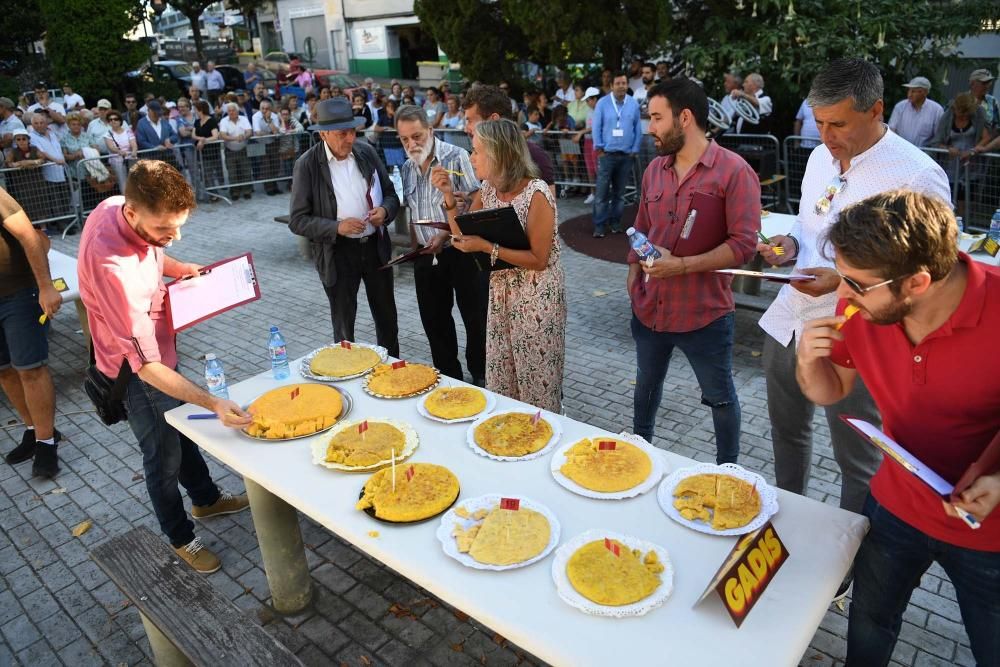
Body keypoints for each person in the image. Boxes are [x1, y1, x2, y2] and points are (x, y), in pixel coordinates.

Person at [795, 190, 1000, 666]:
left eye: (855, 284)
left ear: (918, 282)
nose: (840, 293)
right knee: (868, 621)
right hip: (895, 505)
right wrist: (807, 362)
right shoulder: (865, 308)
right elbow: (829, 390)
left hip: (988, 533)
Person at [756, 59, 952, 550]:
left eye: (838, 124)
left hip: (861, 335)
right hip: (794, 320)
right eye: (819, 122)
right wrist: (790, 243)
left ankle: (849, 552)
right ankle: (783, 528)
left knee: (857, 456)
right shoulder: (821, 157)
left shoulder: (916, 175)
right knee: (787, 433)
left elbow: (933, 275)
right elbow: (809, 222)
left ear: (876, 110)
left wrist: (842, 280)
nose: (826, 136)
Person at [77, 160, 251, 573]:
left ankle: (206, 499)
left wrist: (179, 269)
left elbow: (155, 253)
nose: (172, 239)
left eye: (178, 228)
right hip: (135, 372)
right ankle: (180, 537)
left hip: (157, 351)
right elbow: (146, 368)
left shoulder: (118, 205)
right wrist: (213, 403)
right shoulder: (114, 269)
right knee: (161, 457)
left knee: (180, 432)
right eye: (163, 231)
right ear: (134, 214)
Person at [627, 79, 759, 463]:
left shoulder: (734, 172)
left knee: (720, 399)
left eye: (656, 118)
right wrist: (633, 275)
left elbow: (744, 245)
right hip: (651, 310)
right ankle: (638, 460)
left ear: (684, 118)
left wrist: (681, 265)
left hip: (705, 315)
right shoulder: (654, 169)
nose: (650, 127)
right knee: (645, 390)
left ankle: (728, 474)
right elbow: (641, 225)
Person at [431, 119, 566, 411]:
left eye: (477, 150)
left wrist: (487, 247)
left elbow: (539, 260)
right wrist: (448, 198)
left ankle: (543, 441)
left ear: (499, 153)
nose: (471, 157)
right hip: (502, 294)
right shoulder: (488, 188)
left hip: (536, 299)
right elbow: (462, 238)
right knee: (503, 377)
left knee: (536, 383)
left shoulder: (537, 194)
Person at [288, 98, 400, 355]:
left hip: (374, 248)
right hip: (338, 254)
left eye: (352, 131)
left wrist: (384, 211)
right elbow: (297, 220)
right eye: (342, 133)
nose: (350, 138)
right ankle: (347, 376)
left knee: (387, 319)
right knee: (344, 324)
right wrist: (336, 227)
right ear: (324, 133)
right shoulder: (307, 165)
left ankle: (394, 370)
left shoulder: (366, 152)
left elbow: (392, 194)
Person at [395, 105, 484, 384]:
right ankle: (450, 380)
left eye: (417, 136)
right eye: (405, 139)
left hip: (461, 252)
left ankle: (481, 376)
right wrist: (415, 249)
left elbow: (477, 203)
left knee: (475, 318)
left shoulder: (456, 156)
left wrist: (445, 234)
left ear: (430, 131)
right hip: (426, 257)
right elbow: (412, 211)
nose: (412, 144)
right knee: (435, 323)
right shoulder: (408, 167)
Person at [0, 186, 62, 478]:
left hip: (18, 291)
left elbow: (29, 236)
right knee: (4, 370)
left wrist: (46, 286)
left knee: (30, 369)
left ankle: (47, 443)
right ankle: (32, 430)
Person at [461, 85, 556, 195]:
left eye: (470, 121)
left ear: (494, 120)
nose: (465, 129)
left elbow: (549, 207)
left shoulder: (535, 156)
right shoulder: (482, 157)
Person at [590, 71, 642, 238]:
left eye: (624, 83)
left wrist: (635, 149)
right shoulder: (602, 103)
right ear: (612, 86)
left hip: (626, 156)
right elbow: (596, 127)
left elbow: (638, 129)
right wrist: (599, 147)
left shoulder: (633, 104)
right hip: (607, 155)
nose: (621, 86)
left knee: (619, 194)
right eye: (618, 83)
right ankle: (599, 225)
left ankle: (615, 223)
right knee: (602, 193)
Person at [28, 112, 72, 233]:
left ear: (46, 123)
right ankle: (61, 225)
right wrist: (56, 160)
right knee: (55, 199)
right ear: (32, 125)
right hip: (50, 171)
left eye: (41, 122)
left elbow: (58, 148)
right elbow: (42, 152)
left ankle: (67, 221)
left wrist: (62, 158)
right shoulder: (32, 137)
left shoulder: (52, 133)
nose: (39, 125)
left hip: (62, 170)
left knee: (65, 197)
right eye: (36, 123)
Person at [887, 76, 944, 148]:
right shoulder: (900, 107)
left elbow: (938, 137)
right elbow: (891, 129)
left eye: (913, 91)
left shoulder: (937, 110)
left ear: (925, 92)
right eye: (909, 90)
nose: (909, 94)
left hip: (923, 153)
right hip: (900, 150)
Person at [218, 102, 253, 201]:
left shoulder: (244, 119)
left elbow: (249, 131)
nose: (231, 112)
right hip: (230, 150)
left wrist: (244, 136)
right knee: (232, 173)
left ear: (238, 111)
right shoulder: (224, 121)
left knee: (246, 170)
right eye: (229, 110)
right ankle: (235, 192)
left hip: (243, 149)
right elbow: (223, 135)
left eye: (233, 110)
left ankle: (247, 191)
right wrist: (235, 138)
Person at [251, 99, 281, 195]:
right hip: (261, 144)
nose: (264, 110)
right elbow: (258, 132)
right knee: (266, 167)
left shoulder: (274, 116)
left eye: (267, 108)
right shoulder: (255, 117)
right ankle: (269, 188)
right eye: (262, 108)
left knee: (275, 165)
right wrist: (270, 132)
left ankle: (275, 186)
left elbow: (276, 132)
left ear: (270, 109)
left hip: (272, 143)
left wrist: (269, 121)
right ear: (259, 109)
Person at [192, 100, 221, 198]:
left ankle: (214, 193)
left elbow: (215, 136)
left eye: (195, 109)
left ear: (201, 110)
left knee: (208, 173)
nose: (194, 111)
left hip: (210, 152)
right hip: (200, 152)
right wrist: (202, 139)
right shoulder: (197, 121)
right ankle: (210, 193)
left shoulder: (212, 121)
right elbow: (193, 135)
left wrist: (204, 141)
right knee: (204, 173)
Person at [105, 111, 138, 192]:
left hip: (130, 159)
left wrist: (134, 151)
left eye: (115, 119)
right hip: (117, 161)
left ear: (120, 121)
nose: (113, 121)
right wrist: (119, 151)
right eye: (110, 120)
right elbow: (111, 147)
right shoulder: (107, 134)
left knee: (135, 181)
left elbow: (134, 144)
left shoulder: (128, 131)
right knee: (123, 183)